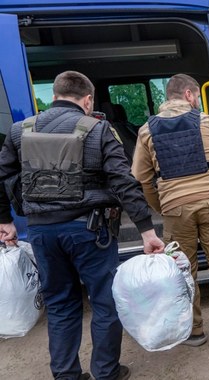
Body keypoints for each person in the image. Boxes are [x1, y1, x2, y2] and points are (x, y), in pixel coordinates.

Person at [0, 70, 165, 380]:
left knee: (60, 304)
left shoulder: (19, 131)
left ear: (54, 96)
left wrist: (5, 220)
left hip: (42, 232)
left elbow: (1, 175)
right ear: (87, 100)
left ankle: (66, 375)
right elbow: (123, 181)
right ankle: (106, 372)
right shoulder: (98, 130)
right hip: (90, 230)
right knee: (104, 301)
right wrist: (146, 230)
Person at [131, 73, 209, 347]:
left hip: (174, 207)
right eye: (195, 96)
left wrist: (162, 206)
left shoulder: (146, 130)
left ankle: (194, 332)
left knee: (184, 271)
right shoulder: (205, 120)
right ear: (189, 95)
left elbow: (141, 177)